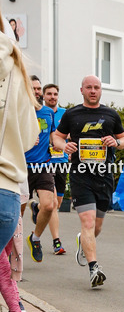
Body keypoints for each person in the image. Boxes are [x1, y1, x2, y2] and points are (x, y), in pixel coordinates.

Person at [52, 75, 124, 287]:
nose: (93, 91)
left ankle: (83, 241)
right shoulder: (72, 114)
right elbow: (56, 136)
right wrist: (63, 146)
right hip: (81, 174)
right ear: (82, 90)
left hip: (104, 175)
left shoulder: (111, 114)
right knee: (87, 221)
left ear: (101, 90)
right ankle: (94, 268)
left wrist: (116, 142)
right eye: (89, 87)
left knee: (97, 226)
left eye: (96, 87)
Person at [0, 18, 40, 312]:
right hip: (7, 191)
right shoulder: (17, 71)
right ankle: (16, 309)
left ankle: (15, 309)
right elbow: (29, 138)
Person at [24, 89, 60, 265]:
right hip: (22, 166)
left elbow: (53, 134)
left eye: (39, 88)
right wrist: (26, 140)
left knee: (49, 205)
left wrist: (59, 144)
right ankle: (11, 253)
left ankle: (35, 238)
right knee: (17, 214)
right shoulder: (19, 110)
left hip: (43, 165)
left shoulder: (47, 112)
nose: (36, 91)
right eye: (33, 88)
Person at [42, 83, 67, 253]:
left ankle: (38, 208)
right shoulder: (39, 113)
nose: (52, 97)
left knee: (57, 203)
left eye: (55, 94)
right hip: (45, 163)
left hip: (62, 162)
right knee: (51, 202)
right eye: (49, 94)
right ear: (43, 96)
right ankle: (57, 241)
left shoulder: (65, 114)